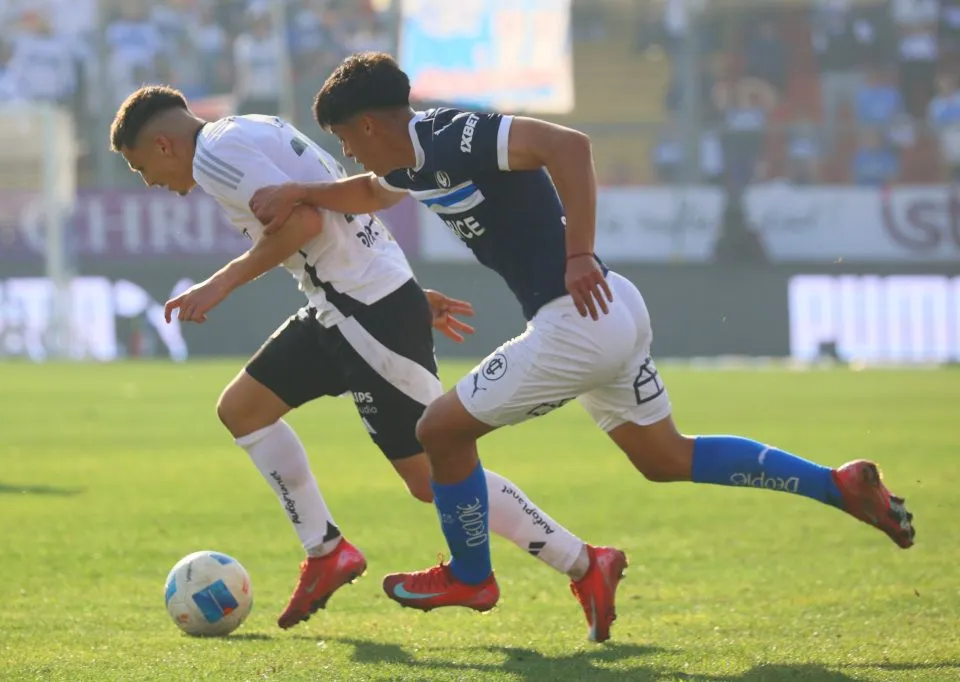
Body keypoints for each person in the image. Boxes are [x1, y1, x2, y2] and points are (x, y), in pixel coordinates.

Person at [249, 52, 916, 641]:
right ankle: (838, 486)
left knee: (438, 431)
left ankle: (472, 577)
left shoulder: (450, 134)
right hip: (611, 309)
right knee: (665, 457)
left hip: (577, 317)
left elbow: (567, 145)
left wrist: (579, 254)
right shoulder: (409, 164)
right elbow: (369, 192)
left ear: (369, 125)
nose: (348, 152)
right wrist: (304, 190)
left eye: (345, 139)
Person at [108, 85, 620, 636]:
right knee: (243, 410)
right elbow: (335, 208)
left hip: (363, 310)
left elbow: (304, 224)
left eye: (140, 167)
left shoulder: (213, 156)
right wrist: (406, 292)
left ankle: (584, 562)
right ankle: (326, 550)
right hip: (343, 304)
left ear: (163, 145)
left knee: (431, 477)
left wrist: (220, 283)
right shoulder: (253, 126)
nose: (150, 181)